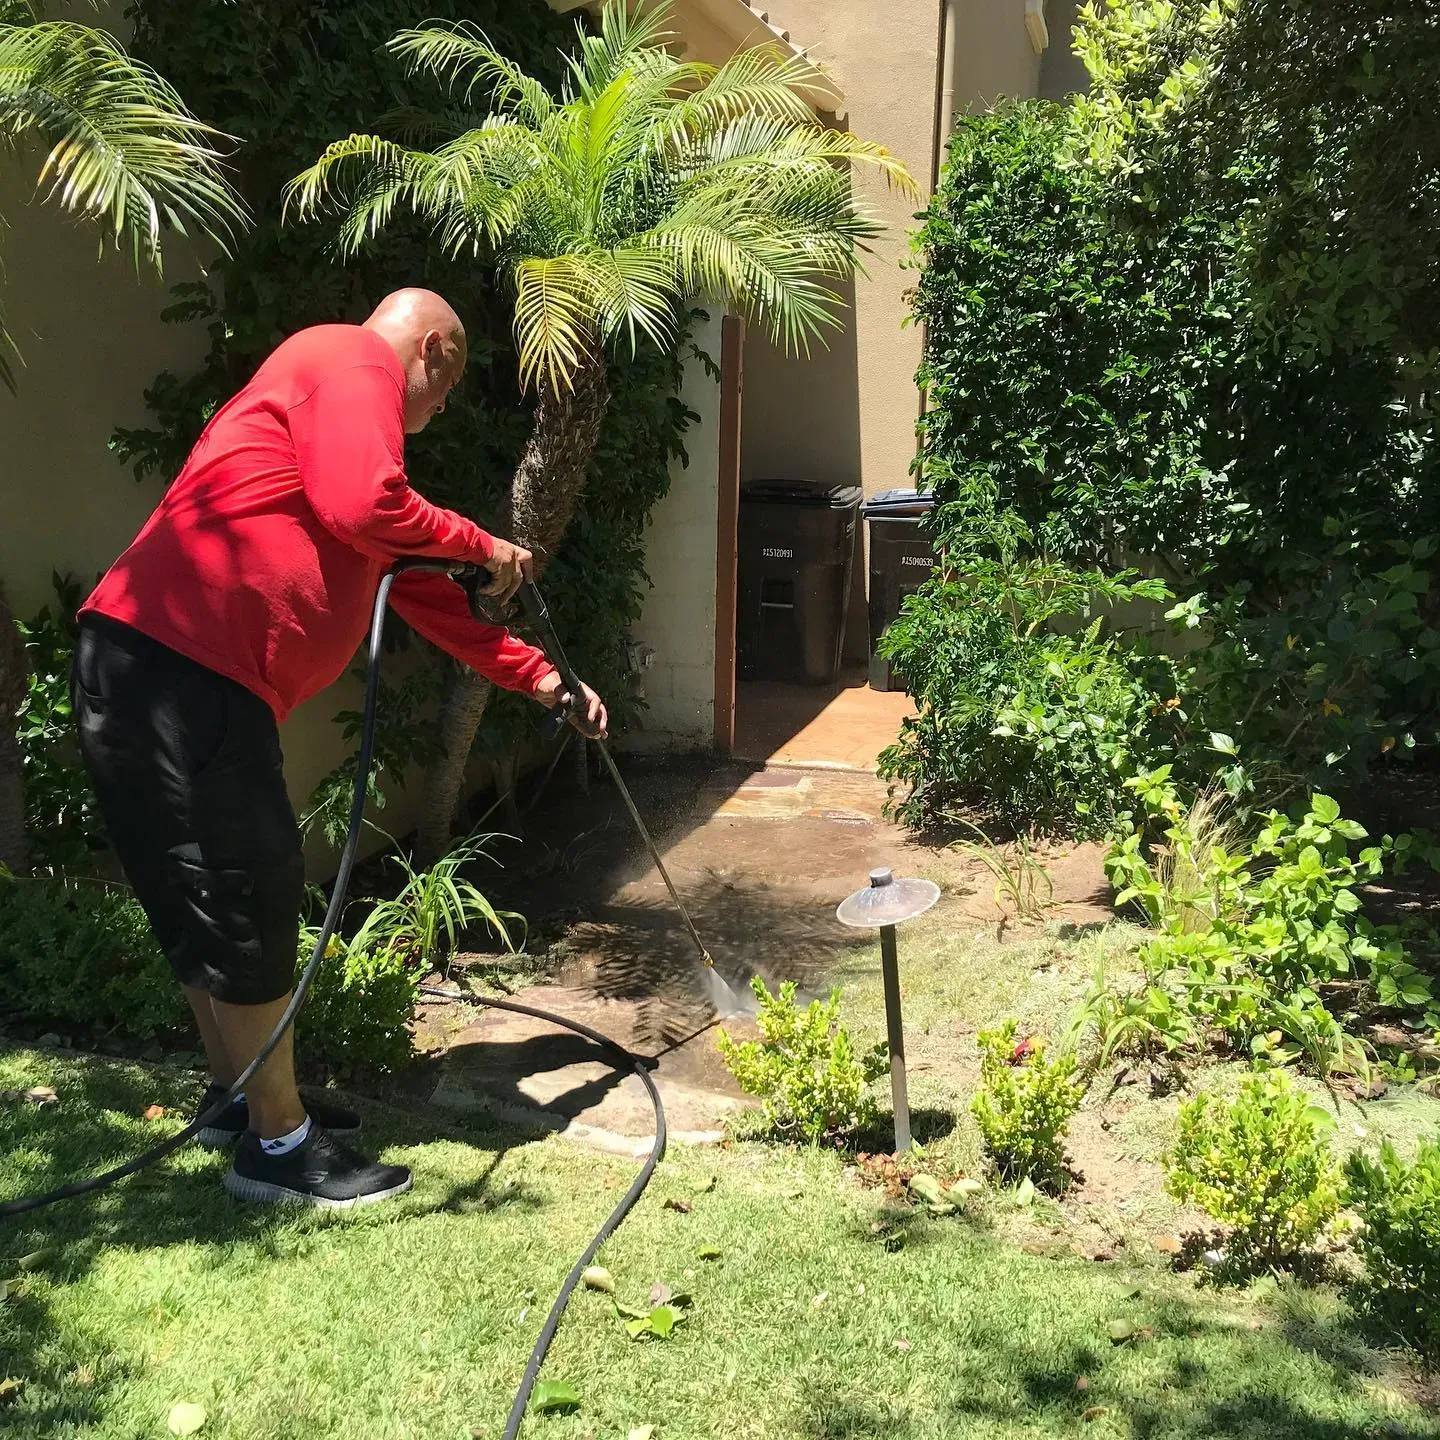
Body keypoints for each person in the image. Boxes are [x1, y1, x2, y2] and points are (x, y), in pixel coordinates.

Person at [72, 289, 607, 1210]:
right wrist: (484, 545)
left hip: (168, 673)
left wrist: (546, 679)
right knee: (244, 887)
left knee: (219, 893)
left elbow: (428, 600)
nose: (428, 420)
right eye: (439, 400)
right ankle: (279, 1148)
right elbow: (370, 502)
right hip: (175, 671)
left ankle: (240, 1106)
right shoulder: (349, 359)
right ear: (432, 349)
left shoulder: (331, 447)